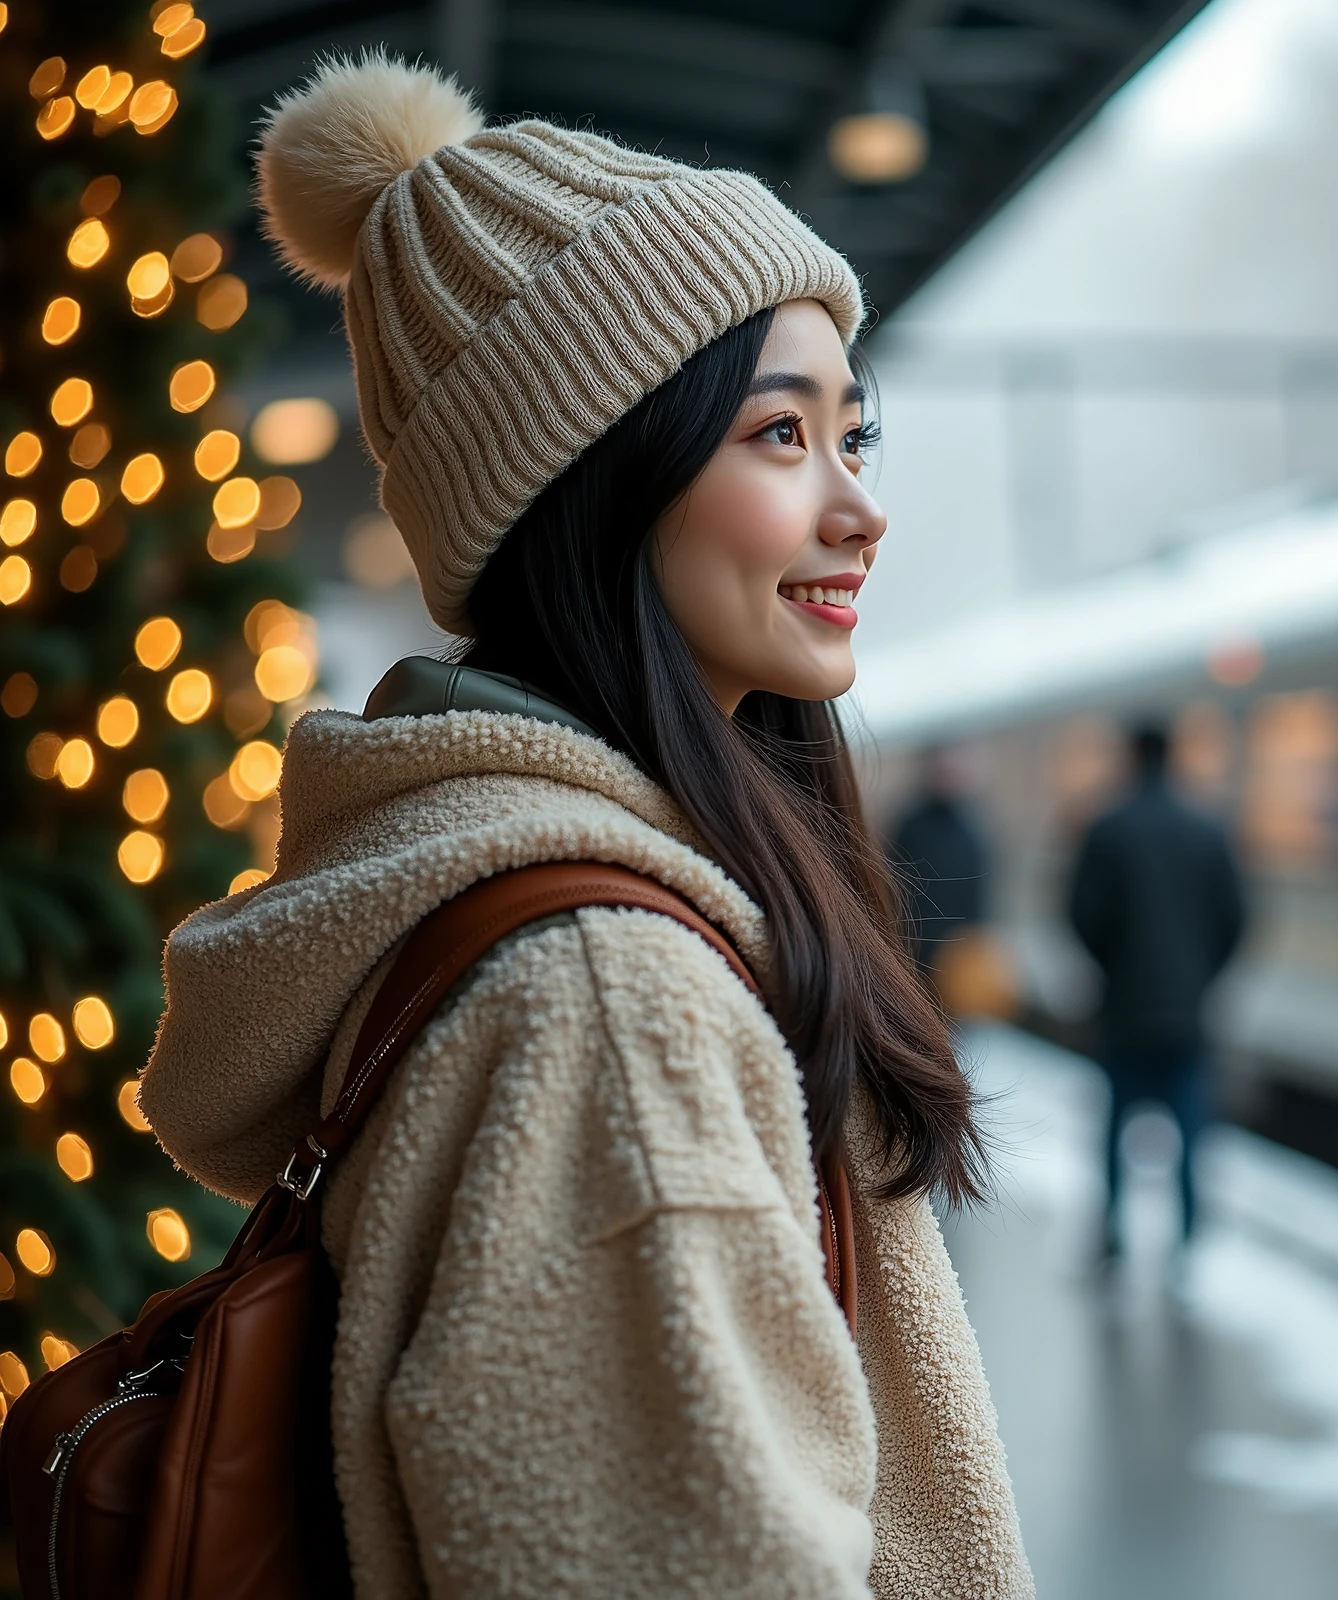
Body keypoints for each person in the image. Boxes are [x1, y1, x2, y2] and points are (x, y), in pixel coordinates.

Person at [140, 54, 1031, 1598]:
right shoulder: (615, 1003)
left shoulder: (526, 904)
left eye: (852, 433)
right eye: (777, 435)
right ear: (594, 488)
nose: (858, 505)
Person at [1068, 723, 1246, 1257]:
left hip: (1122, 1011)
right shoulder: (1207, 831)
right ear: (1172, 758)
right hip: (1187, 1012)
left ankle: (1114, 1232)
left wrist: (1111, 969)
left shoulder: (1107, 829)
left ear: (1131, 757)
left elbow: (1079, 915)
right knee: (1190, 1131)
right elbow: (1237, 919)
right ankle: (1187, 1239)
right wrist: (1200, 976)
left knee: (1115, 1130)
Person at [890, 745, 990, 975]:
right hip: (914, 944)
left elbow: (979, 894)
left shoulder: (972, 830)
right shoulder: (911, 826)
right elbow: (895, 881)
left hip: (958, 952)